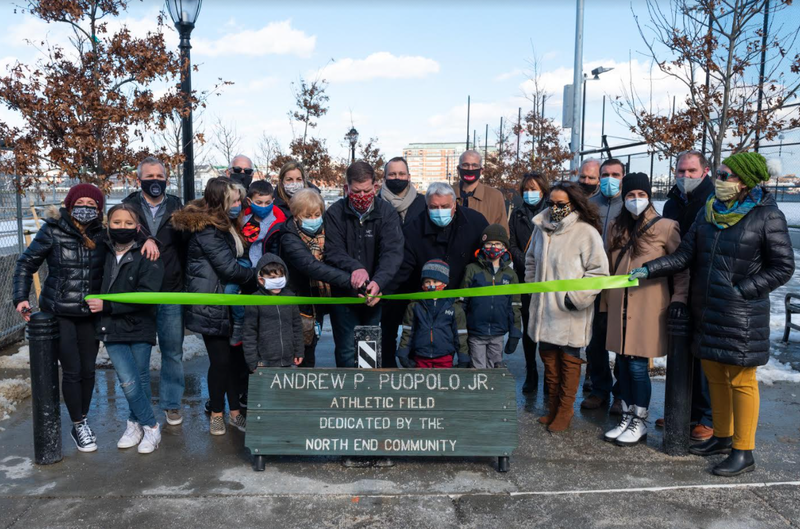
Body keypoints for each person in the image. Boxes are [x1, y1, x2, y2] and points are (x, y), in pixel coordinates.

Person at [635, 152, 793, 476]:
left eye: (727, 176)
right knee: (715, 377)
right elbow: (684, 256)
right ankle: (721, 437)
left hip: (741, 315)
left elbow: (783, 266)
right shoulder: (709, 213)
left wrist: (744, 290)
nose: (720, 181)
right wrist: (649, 268)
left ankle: (743, 450)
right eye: (719, 174)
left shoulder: (767, 216)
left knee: (740, 380)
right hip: (707, 311)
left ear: (746, 181)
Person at [13, 184, 158, 452]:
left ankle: (84, 418)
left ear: (99, 210)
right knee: (72, 370)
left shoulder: (102, 235)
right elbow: (26, 263)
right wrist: (21, 297)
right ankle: (79, 424)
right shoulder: (52, 231)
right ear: (69, 204)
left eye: (93, 205)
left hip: (92, 313)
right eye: (81, 203)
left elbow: (129, 235)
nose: (86, 208)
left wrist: (150, 239)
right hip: (60, 312)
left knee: (88, 371)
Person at [600, 173, 689, 446]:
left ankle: (640, 419)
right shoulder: (616, 227)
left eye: (640, 195)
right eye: (630, 195)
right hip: (619, 305)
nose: (635, 200)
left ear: (649, 196)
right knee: (622, 366)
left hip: (649, 306)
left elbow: (680, 267)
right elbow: (608, 267)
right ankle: (626, 415)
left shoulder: (666, 227)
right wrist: (605, 303)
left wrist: (680, 299)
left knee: (638, 367)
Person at [172, 177, 256, 436]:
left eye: (240, 200)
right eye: (234, 200)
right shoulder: (208, 230)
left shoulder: (226, 225)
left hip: (226, 305)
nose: (238, 204)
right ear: (220, 202)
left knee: (230, 361)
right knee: (220, 362)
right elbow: (228, 268)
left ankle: (234, 413)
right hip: (211, 305)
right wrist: (257, 277)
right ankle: (217, 414)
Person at [526, 182, 608, 432]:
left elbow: (598, 271)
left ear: (573, 204)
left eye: (561, 204)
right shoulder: (540, 229)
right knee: (548, 358)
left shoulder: (585, 232)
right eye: (551, 203)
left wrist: (576, 297)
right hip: (544, 309)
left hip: (570, 309)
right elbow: (531, 260)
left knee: (569, 358)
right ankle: (552, 406)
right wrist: (533, 287)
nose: (555, 208)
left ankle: (565, 409)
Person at [387, 183, 489, 365]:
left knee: (470, 353)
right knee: (425, 353)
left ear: (455, 205)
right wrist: (383, 290)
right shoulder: (413, 228)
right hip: (428, 304)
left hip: (465, 300)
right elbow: (403, 268)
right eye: (434, 207)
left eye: (444, 206)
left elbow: (484, 261)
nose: (439, 211)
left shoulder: (476, 222)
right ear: (427, 206)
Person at [93, 204, 165, 454]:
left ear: (137, 227)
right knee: (128, 381)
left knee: (140, 378)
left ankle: (141, 425)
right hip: (111, 327)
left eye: (127, 223)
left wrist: (108, 305)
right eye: (116, 222)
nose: (121, 227)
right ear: (108, 224)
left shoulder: (149, 254)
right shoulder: (101, 250)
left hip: (139, 325)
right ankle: (149, 425)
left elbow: (148, 294)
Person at [122, 156, 187, 427]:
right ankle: (141, 407)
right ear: (139, 180)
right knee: (140, 354)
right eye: (149, 177)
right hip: (139, 289)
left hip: (171, 289)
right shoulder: (128, 205)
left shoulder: (176, 206)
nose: (155, 181)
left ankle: (172, 404)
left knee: (172, 350)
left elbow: (186, 242)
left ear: (166, 180)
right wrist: (144, 238)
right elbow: (117, 233)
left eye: (160, 176)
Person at [657, 149, 716, 441]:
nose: (685, 176)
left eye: (691, 171)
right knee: (681, 351)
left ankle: (707, 417)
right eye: (681, 171)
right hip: (678, 283)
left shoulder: (712, 202)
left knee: (702, 354)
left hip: (704, 285)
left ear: (705, 172)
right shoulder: (671, 204)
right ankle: (683, 410)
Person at [323, 161, 404, 368]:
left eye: (367, 190)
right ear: (347, 188)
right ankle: (347, 395)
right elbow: (332, 251)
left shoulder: (386, 212)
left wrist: (378, 282)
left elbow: (392, 252)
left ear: (375, 187)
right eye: (356, 191)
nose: (362, 196)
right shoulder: (334, 213)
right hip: (343, 294)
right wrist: (354, 267)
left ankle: (365, 395)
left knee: (368, 351)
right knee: (346, 350)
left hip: (373, 294)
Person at [279, 188, 352, 367]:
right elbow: (312, 267)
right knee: (303, 351)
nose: (314, 220)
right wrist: (351, 280)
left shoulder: (329, 231)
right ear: (296, 216)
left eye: (317, 214)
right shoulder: (289, 237)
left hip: (321, 300)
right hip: (301, 302)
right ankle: (301, 393)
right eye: (308, 215)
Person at [582, 158, 626, 414]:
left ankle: (621, 394)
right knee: (595, 340)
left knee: (620, 340)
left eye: (615, 174)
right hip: (593, 282)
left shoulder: (631, 206)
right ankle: (599, 389)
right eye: (606, 174)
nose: (611, 179)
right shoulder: (590, 206)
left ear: (623, 176)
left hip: (620, 283)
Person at [379, 156, 428, 367]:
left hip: (416, 278)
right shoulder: (376, 203)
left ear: (409, 177)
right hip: (386, 279)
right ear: (384, 177)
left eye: (401, 174)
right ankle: (388, 373)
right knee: (386, 331)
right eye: (392, 174)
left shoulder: (423, 203)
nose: (397, 178)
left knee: (418, 329)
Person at [460, 224, 523, 369]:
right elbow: (462, 302)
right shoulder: (472, 270)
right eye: (489, 243)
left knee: (495, 370)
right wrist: (461, 329)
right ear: (483, 246)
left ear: (504, 247)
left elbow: (515, 306)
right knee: (478, 370)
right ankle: (479, 393)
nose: (493, 247)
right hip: (476, 332)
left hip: (498, 333)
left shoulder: (510, 275)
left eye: (497, 244)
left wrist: (515, 332)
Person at [509, 172, 549, 393]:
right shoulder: (517, 214)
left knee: (546, 327)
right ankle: (531, 370)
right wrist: (525, 261)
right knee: (528, 326)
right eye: (526, 189)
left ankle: (548, 372)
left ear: (543, 190)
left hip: (547, 278)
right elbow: (512, 243)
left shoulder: (552, 212)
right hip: (525, 276)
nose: (529, 193)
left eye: (534, 188)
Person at [396, 259, 470, 369]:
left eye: (435, 282)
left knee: (444, 386)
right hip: (421, 357)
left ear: (444, 284)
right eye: (427, 282)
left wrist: (463, 358)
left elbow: (460, 334)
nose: (431, 285)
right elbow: (407, 331)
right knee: (422, 386)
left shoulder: (454, 307)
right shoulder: (414, 306)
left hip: (445, 357)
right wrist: (402, 354)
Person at [242, 254, 304, 371]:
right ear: (261, 279)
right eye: (272, 278)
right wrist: (252, 361)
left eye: (280, 276)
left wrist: (299, 351)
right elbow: (249, 333)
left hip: (289, 359)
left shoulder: (290, 297)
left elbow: (297, 326)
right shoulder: (255, 300)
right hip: (263, 362)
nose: (277, 281)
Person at [453, 150, 509, 233]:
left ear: (481, 170)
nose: (470, 169)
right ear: (458, 169)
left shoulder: (495, 196)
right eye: (465, 165)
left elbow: (502, 232)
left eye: (474, 165)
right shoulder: (447, 193)